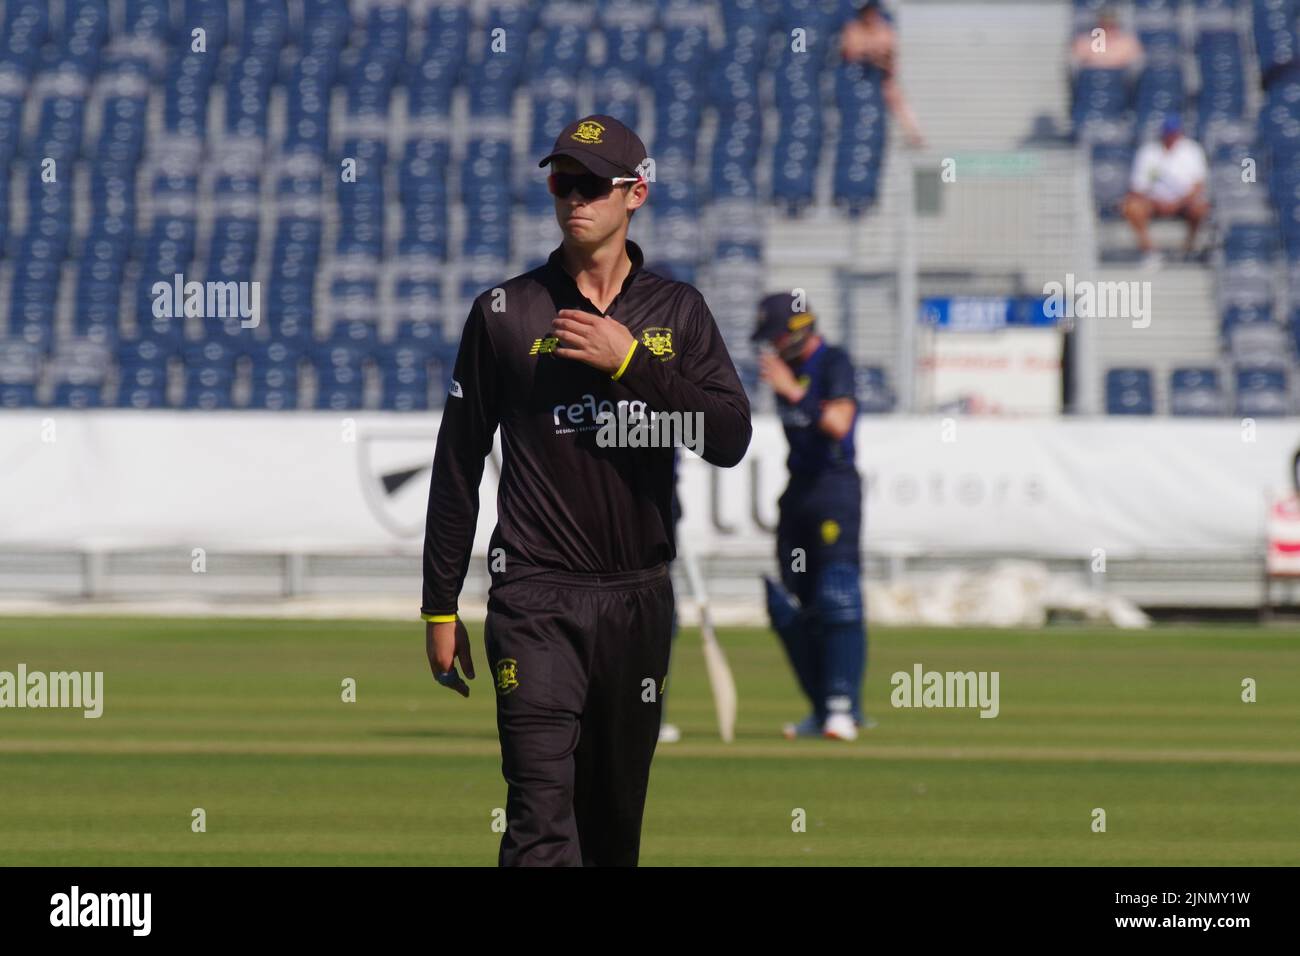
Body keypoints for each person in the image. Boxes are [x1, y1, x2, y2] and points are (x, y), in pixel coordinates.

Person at [420, 114, 752, 866]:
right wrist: (440, 604)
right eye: (562, 181)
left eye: (592, 184)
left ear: (636, 194)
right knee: (539, 820)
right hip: (533, 598)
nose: (574, 197)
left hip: (637, 601)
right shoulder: (503, 314)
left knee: (609, 835)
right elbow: (457, 466)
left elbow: (729, 438)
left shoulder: (679, 312)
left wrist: (631, 360)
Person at [752, 293, 870, 741]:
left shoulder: (833, 361)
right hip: (798, 490)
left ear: (794, 331)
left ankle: (843, 707)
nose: (770, 350)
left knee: (837, 592)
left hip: (833, 487)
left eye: (774, 338)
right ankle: (821, 707)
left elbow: (840, 423)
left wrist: (793, 390)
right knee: (795, 600)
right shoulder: (789, 370)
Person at [1123, 115, 1209, 268]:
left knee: (1200, 208)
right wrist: (1159, 202)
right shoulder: (1148, 152)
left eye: (1174, 133)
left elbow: (1198, 186)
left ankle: (1188, 249)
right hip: (1153, 202)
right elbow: (1138, 187)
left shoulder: (1192, 150)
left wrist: (1178, 202)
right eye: (1168, 133)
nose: (1171, 136)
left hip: (1184, 202)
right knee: (1132, 207)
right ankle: (1150, 252)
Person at [839, 0, 925, 148]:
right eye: (865, 12)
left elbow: (887, 52)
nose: (869, 16)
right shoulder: (853, 28)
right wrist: (871, 53)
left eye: (871, 12)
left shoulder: (883, 29)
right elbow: (851, 52)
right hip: (857, 78)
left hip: (883, 78)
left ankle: (914, 135)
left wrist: (871, 53)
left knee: (898, 102)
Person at [1071, 5, 1143, 72]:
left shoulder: (1127, 41)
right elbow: (1076, 61)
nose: (1107, 26)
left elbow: (1135, 62)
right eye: (1104, 22)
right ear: (1099, 22)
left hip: (1118, 80)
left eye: (1110, 23)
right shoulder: (1084, 40)